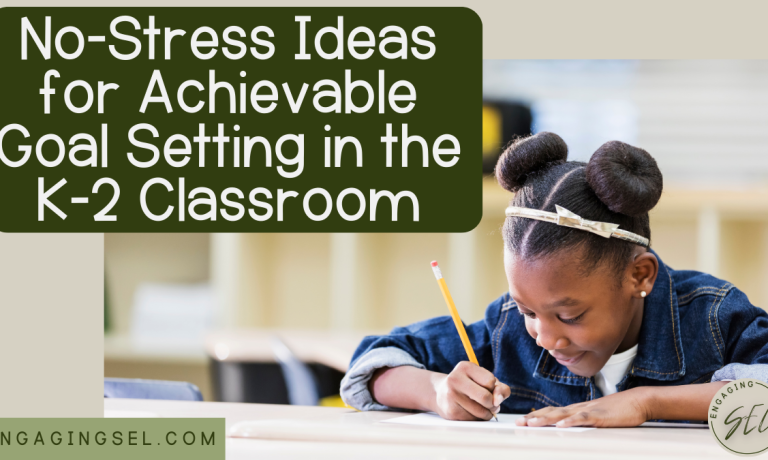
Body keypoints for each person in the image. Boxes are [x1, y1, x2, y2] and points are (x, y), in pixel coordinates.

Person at [339, 132, 768, 427]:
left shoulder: (712, 317)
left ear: (639, 275)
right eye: (529, 310)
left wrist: (644, 402)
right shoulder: (509, 330)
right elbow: (374, 363)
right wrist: (436, 392)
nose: (544, 337)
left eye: (570, 314)